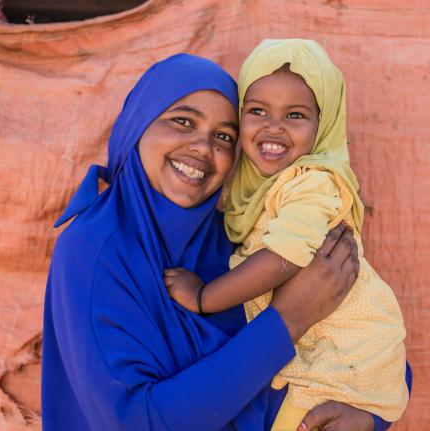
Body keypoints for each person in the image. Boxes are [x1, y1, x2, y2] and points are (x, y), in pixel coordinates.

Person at [41, 53, 404, 431]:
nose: (202, 146)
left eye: (224, 136)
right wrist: (289, 319)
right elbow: (136, 420)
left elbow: (363, 325)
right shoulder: (92, 250)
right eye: (183, 121)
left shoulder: (239, 238)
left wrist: (369, 418)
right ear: (137, 124)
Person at [166, 40, 409, 431]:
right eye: (257, 111)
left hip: (338, 362)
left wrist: (203, 297)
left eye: (295, 115)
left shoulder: (312, 183)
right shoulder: (254, 191)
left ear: (323, 124)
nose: (273, 127)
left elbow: (286, 256)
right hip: (319, 356)